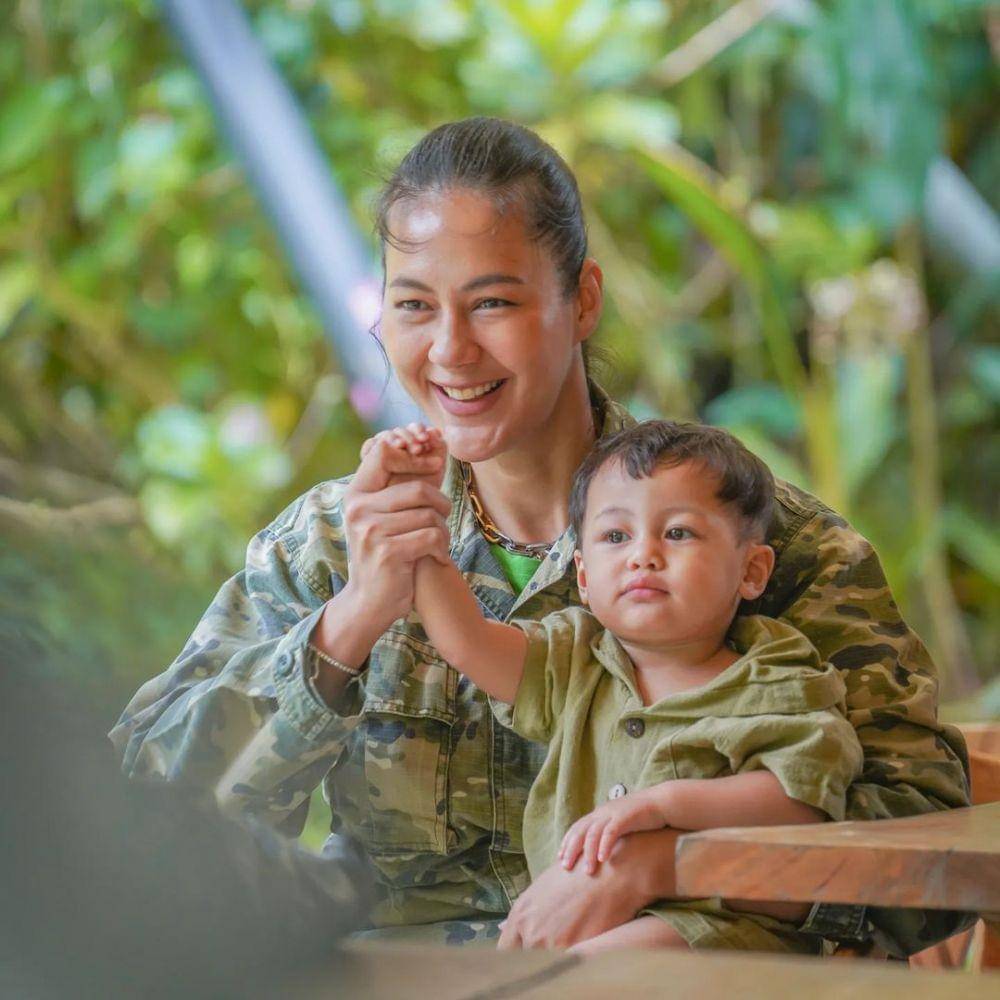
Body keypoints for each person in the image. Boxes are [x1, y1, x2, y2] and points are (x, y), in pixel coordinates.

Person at [110, 116, 971, 954]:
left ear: (582, 300)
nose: (450, 350)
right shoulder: (332, 544)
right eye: (414, 306)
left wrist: (666, 863)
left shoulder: (762, 542)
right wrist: (350, 622)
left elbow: (927, 844)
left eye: (492, 302)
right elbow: (141, 831)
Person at [364, 417, 864, 955]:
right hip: (585, 929)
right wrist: (416, 528)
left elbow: (800, 797)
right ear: (583, 576)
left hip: (720, 931)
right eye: (616, 536)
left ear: (752, 571)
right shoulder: (574, 659)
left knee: (570, 976)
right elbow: (467, 641)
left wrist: (665, 806)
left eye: (678, 533)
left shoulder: (773, 673)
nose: (643, 555)